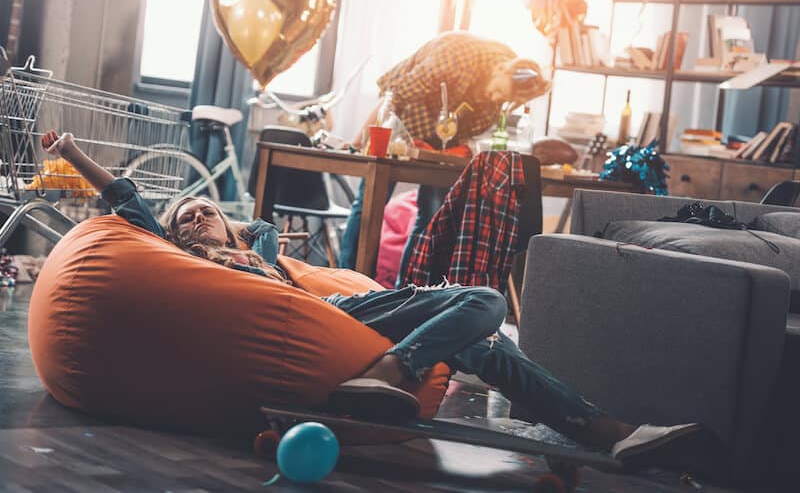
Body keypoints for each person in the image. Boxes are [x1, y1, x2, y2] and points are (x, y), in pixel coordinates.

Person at [42, 130, 712, 472]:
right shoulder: (177, 256)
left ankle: (600, 431)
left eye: (204, 211)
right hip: (308, 321)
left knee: (481, 305)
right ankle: (599, 431)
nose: (192, 220)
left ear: (231, 221)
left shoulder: (263, 245)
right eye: (182, 218)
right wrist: (70, 149)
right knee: (481, 326)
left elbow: (267, 241)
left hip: (333, 316)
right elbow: (125, 202)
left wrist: (247, 240)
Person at [338, 31, 550, 287]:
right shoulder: (455, 57)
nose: (495, 99)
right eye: (497, 91)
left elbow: (471, 130)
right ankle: (347, 284)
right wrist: (362, 137)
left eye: (502, 99)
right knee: (369, 204)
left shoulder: (506, 84)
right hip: (403, 116)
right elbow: (395, 96)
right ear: (500, 70)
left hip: (441, 139)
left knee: (431, 218)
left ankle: (406, 290)